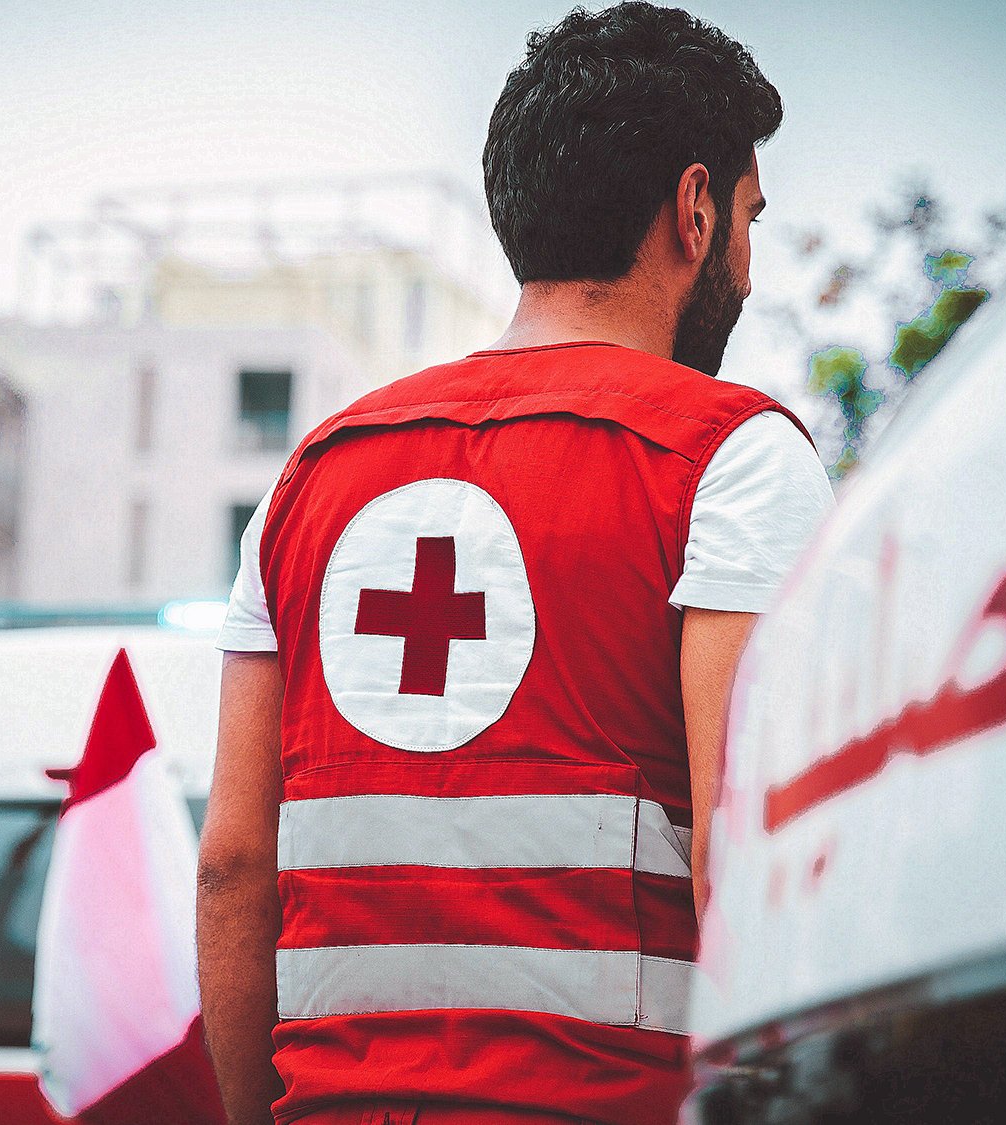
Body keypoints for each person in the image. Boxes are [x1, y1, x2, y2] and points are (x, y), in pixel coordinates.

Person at [197, 4, 833, 1124]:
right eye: (745, 218)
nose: (746, 260)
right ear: (691, 210)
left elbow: (234, 870)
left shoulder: (309, 478)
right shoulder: (731, 461)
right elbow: (750, 860)